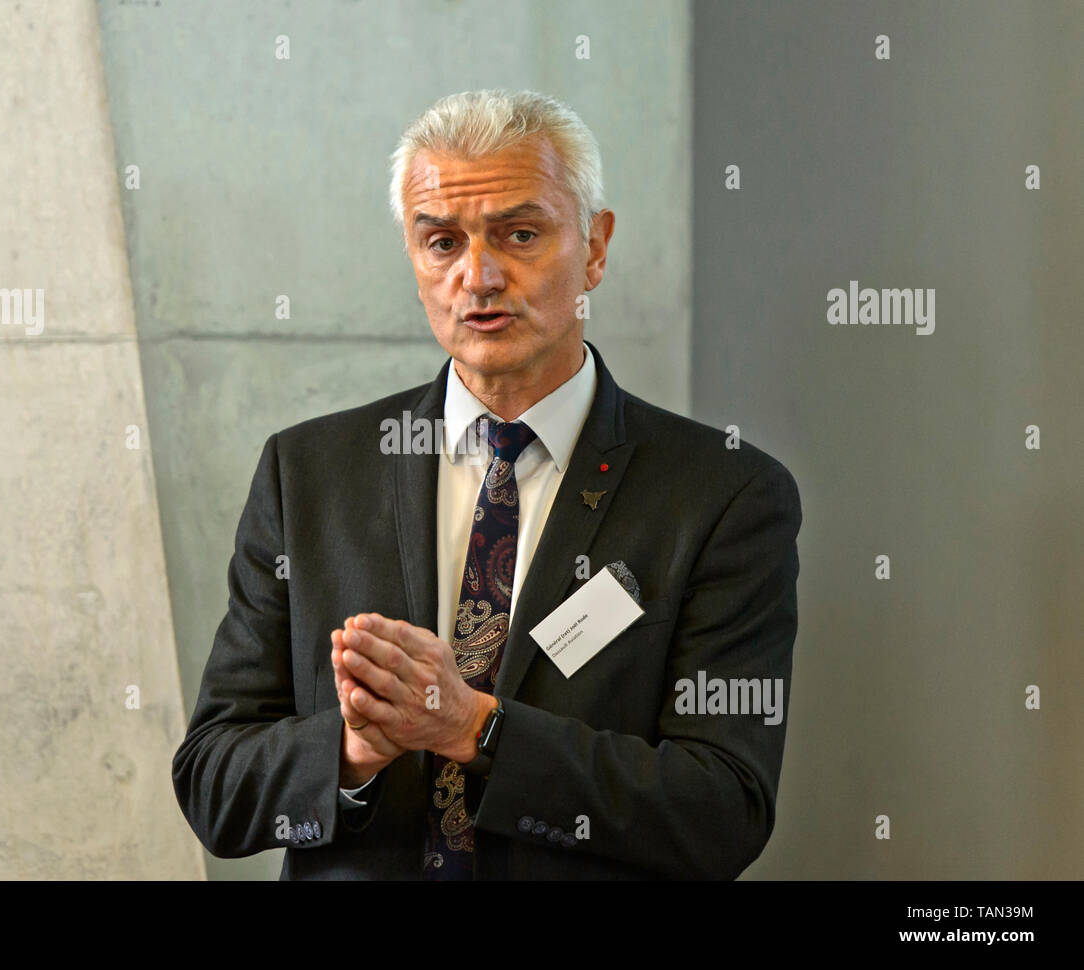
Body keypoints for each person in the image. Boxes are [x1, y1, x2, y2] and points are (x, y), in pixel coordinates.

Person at [172, 89, 802, 879]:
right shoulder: (308, 476)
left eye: (521, 234)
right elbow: (212, 784)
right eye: (441, 242)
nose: (478, 276)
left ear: (596, 248)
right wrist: (353, 748)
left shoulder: (723, 495)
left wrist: (477, 727)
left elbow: (723, 809)